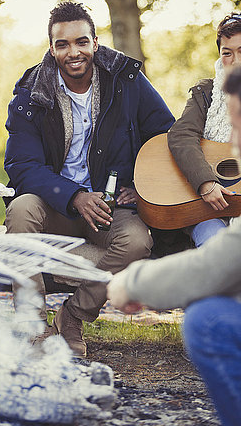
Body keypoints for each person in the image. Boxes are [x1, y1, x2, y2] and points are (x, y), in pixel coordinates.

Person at [4, 1, 174, 357]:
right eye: (62, 44)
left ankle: (72, 318)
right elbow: (21, 165)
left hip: (110, 208)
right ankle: (35, 330)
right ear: (52, 49)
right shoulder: (32, 93)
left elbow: (164, 136)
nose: (73, 52)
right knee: (21, 211)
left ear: (95, 42)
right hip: (55, 205)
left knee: (137, 242)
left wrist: (140, 187)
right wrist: (74, 196)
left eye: (81, 42)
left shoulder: (127, 81)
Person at [107, 65, 241, 426]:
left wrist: (132, 282)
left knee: (207, 320)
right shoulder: (205, 94)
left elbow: (216, 266)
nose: (236, 141)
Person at [167, 13, 241, 247]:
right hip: (206, 209)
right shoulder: (205, 92)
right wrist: (205, 183)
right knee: (218, 253)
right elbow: (181, 135)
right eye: (227, 53)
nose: (235, 60)